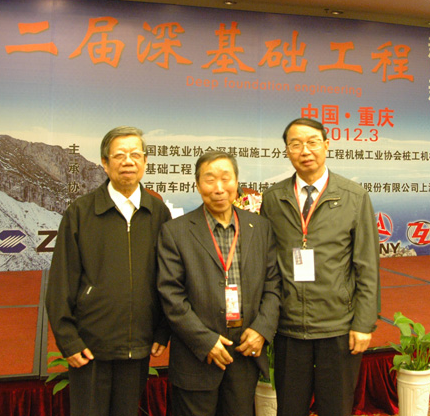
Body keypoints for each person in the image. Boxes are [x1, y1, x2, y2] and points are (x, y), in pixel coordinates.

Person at [45, 126, 171, 416]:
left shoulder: (158, 213)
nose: (128, 161)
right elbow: (61, 283)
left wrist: (162, 331)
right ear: (104, 162)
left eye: (135, 155)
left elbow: (168, 279)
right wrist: (68, 341)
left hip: (138, 346)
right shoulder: (80, 212)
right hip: (90, 347)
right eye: (119, 155)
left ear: (145, 161)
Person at [260, 117, 380, 416]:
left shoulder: (354, 196)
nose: (305, 150)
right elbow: (266, 265)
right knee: (289, 408)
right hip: (289, 327)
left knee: (336, 407)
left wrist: (363, 323)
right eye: (296, 144)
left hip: (337, 325)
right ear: (287, 151)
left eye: (312, 142)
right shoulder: (273, 198)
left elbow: (367, 265)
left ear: (326, 145)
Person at [157, 150, 281, 416]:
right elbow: (171, 295)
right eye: (210, 179)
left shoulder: (260, 227)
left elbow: (273, 284)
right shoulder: (176, 231)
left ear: (237, 182)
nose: (219, 188)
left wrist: (261, 329)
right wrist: (205, 342)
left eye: (226, 178)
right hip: (195, 358)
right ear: (197, 184)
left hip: (244, 353)